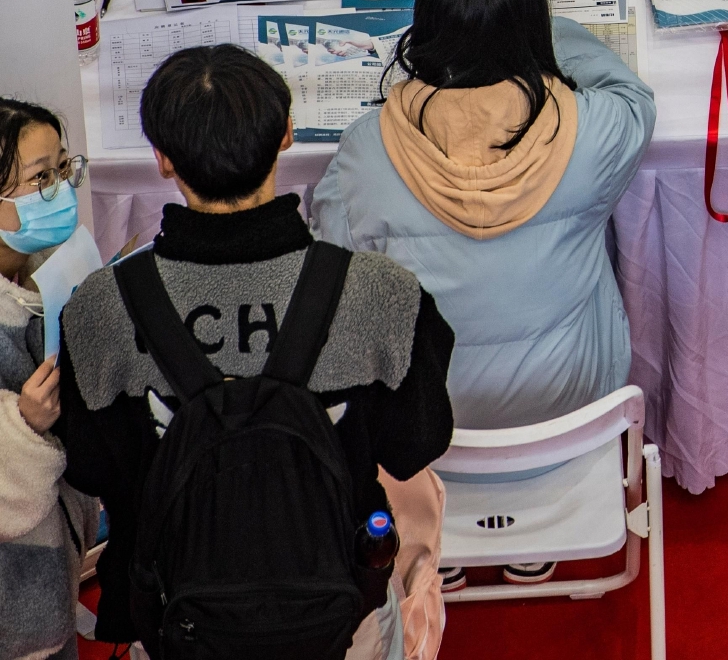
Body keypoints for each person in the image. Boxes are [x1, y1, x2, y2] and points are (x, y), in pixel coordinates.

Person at [56, 46, 454, 658]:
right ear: (287, 136)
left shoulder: (101, 309)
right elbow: (414, 447)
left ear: (162, 159)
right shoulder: (380, 293)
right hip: (341, 608)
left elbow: (90, 470)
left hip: (172, 610)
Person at [310, 0, 654, 590]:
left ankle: (452, 552)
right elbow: (636, 99)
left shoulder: (363, 154)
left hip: (430, 442)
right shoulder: (591, 133)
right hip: (571, 420)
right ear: (532, 31)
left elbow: (334, 271)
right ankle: (532, 546)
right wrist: (557, 37)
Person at [0, 101, 96, 660]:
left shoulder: (43, 268)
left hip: (52, 558)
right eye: (40, 178)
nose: (61, 188)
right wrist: (23, 426)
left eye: (62, 168)